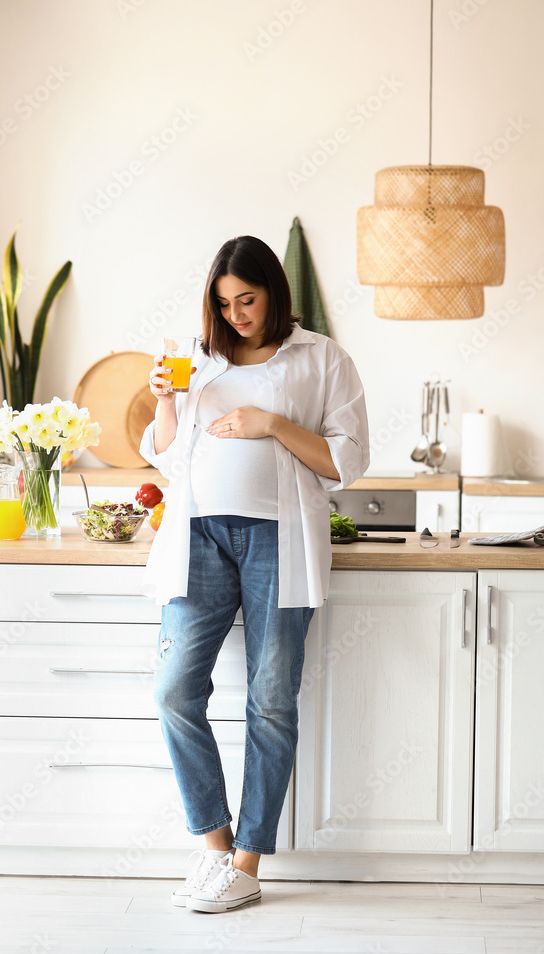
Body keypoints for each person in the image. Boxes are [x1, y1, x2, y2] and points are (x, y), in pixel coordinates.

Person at [139, 235, 369, 913]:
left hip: (279, 539)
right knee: (174, 690)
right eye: (223, 302)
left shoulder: (321, 357)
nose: (235, 314)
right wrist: (163, 401)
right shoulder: (196, 357)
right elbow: (164, 457)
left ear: (274, 292)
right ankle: (214, 848)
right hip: (198, 537)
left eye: (247, 299)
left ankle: (248, 862)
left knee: (270, 701)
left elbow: (347, 461)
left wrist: (271, 423)